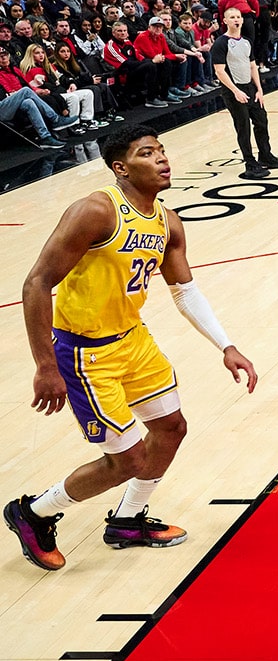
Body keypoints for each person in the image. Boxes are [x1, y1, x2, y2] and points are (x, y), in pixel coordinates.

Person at [4, 126, 258, 571]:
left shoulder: (166, 219)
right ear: (121, 167)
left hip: (133, 340)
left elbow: (184, 291)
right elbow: (37, 282)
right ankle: (33, 512)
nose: (162, 159)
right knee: (127, 460)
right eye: (147, 153)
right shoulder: (95, 211)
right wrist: (46, 364)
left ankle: (126, 520)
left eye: (162, 151)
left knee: (171, 428)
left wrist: (226, 345)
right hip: (85, 353)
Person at [209, 7, 278, 180]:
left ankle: (265, 155)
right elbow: (219, 71)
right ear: (225, 21)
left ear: (242, 20)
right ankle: (250, 163)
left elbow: (252, 66)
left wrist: (259, 89)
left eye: (238, 17)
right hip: (233, 90)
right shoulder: (221, 43)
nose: (236, 20)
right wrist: (235, 91)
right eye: (232, 17)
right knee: (243, 127)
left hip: (250, 88)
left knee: (261, 121)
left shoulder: (246, 41)